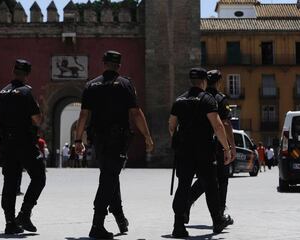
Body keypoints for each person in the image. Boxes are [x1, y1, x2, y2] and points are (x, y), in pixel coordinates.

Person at [74, 50, 154, 239]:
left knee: (110, 174)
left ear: (103, 63)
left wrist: (78, 140)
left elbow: (83, 115)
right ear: (119, 65)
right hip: (117, 139)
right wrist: (147, 136)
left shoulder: (91, 85)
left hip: (98, 139)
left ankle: (119, 217)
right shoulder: (125, 85)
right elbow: (135, 113)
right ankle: (97, 224)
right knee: (109, 177)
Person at [168, 67, 233, 238]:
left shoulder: (180, 100)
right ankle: (217, 221)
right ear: (204, 81)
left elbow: (171, 126)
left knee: (183, 186)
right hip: (204, 150)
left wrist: (179, 140)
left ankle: (178, 225)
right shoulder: (208, 99)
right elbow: (218, 126)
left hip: (184, 151)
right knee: (211, 186)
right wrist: (226, 148)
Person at [0, 59, 46, 235]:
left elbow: (0, 120)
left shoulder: (2, 92)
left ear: (13, 70)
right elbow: (37, 120)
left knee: (9, 182)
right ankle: (24, 213)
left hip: (7, 143)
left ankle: (10, 222)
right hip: (24, 142)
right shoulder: (25, 93)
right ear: (27, 74)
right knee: (39, 176)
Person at [185, 70, 236, 224]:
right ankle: (219, 215)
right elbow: (225, 124)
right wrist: (231, 147)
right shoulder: (220, 99)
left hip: (199, 144)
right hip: (218, 146)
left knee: (204, 179)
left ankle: (186, 202)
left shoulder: (199, 97)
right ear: (219, 82)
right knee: (222, 180)